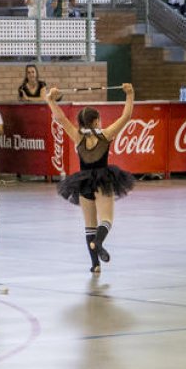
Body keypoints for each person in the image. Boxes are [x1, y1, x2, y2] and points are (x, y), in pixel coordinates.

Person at [46, 83, 137, 273]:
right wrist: (130, 94)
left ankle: (95, 265)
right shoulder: (106, 135)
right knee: (107, 219)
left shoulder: (78, 137)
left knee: (89, 224)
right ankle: (99, 242)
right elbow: (126, 116)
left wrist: (50, 99)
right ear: (96, 121)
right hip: (104, 180)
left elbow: (60, 119)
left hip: (83, 182)